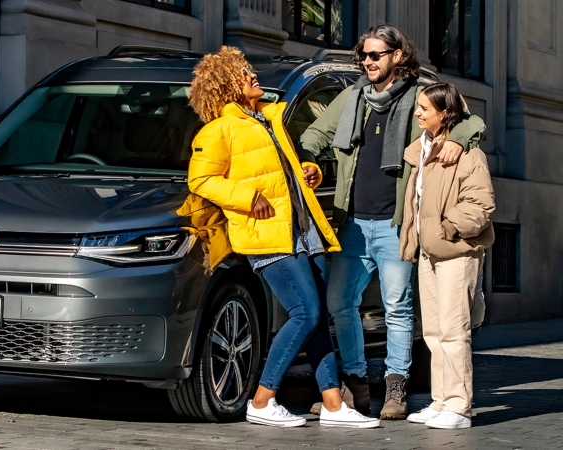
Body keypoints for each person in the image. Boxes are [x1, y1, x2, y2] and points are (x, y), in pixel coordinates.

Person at [299, 25, 486, 420]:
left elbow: (469, 122)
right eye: (363, 55)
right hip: (351, 221)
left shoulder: (421, 95)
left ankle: (396, 387)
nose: (367, 62)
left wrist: (457, 139)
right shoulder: (353, 97)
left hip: (395, 224)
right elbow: (316, 132)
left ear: (397, 55)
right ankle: (355, 383)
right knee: (339, 302)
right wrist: (309, 160)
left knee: (397, 307)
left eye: (376, 55)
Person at [187, 46, 380, 429]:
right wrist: (247, 198)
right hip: (267, 237)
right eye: (243, 72)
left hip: (304, 232)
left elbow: (287, 175)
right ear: (226, 85)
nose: (252, 75)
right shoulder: (219, 130)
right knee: (304, 312)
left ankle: (333, 405)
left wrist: (311, 172)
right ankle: (262, 399)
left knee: (317, 316)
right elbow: (201, 179)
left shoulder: (268, 121)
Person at [399, 83, 495, 429]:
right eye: (418, 106)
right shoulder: (421, 151)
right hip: (428, 253)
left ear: (445, 113)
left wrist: (446, 229)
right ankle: (441, 402)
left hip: (456, 252)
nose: (418, 112)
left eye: (425, 108)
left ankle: (459, 406)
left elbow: (481, 206)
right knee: (435, 332)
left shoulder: (468, 154)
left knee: (454, 331)